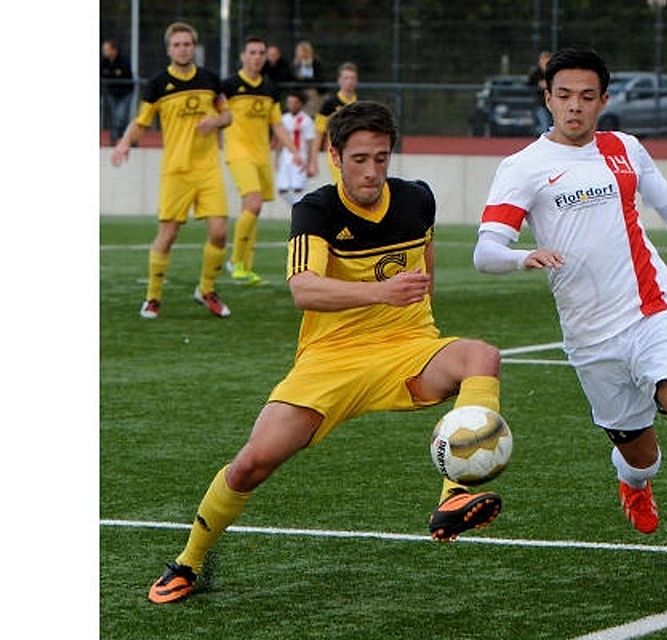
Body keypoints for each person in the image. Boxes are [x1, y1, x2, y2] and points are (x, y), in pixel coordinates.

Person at [146, 100, 506, 605]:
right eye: (360, 159)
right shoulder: (315, 210)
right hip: (330, 359)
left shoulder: (417, 199)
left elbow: (426, 267)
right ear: (334, 155)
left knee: (481, 356)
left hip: (407, 347)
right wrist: (382, 293)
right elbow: (303, 289)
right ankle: (189, 561)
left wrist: (423, 325)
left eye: (381, 158)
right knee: (252, 463)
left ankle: (454, 496)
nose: (372, 171)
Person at [473, 47, 667, 608]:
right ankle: (635, 483)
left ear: (603, 101)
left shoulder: (623, 150)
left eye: (587, 97)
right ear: (547, 97)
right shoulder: (522, 167)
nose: (575, 107)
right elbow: (485, 250)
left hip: (651, 310)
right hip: (590, 338)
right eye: (564, 95)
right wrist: (523, 257)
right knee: (644, 455)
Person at [110, 21, 233, 319]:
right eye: (177, 45)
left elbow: (227, 115)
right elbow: (141, 122)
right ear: (169, 49)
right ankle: (153, 298)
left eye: (187, 44)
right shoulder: (157, 84)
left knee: (219, 232)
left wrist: (214, 122)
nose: (182, 49)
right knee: (168, 234)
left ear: (194, 47)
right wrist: (124, 144)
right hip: (175, 171)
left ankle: (206, 290)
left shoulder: (210, 80)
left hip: (208, 170)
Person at [222, 36, 305, 286]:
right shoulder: (229, 86)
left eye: (261, 52)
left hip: (260, 156)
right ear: (243, 57)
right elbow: (216, 113)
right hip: (238, 153)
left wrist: (295, 151)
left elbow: (277, 124)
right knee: (255, 203)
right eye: (252, 52)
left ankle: (245, 268)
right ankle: (235, 261)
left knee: (251, 210)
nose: (257, 57)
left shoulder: (270, 88)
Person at [313, 61, 360, 184]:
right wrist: (313, 161)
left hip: (357, 153)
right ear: (339, 80)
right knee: (343, 185)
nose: (349, 81)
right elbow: (318, 132)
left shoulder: (360, 105)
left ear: (356, 81)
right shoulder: (329, 104)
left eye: (352, 78)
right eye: (346, 78)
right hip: (336, 153)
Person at [276, 90, 318, 206]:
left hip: (301, 159)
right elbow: (280, 140)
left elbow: (310, 143)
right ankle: (300, 209)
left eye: (294, 102)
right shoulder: (283, 119)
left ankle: (301, 213)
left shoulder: (307, 120)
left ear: (300, 104)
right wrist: (277, 159)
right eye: (289, 102)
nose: (291, 105)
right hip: (285, 158)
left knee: (298, 189)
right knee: (282, 189)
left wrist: (311, 163)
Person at [101, 39, 135, 144]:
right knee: (116, 117)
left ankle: (121, 137)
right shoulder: (103, 62)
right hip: (112, 93)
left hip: (125, 93)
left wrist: (111, 74)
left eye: (107, 49)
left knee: (121, 116)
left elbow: (125, 74)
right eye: (104, 49)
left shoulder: (124, 60)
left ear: (114, 50)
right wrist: (113, 74)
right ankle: (126, 138)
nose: (104, 51)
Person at [292, 40, 323, 115]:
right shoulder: (296, 63)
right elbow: (294, 77)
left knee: (311, 114)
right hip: (299, 92)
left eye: (300, 51)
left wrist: (304, 79)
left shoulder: (315, 62)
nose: (298, 53)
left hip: (312, 92)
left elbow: (318, 77)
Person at [526, 50, 553, 135]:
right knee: (544, 124)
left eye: (547, 61)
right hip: (540, 103)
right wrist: (538, 84)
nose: (544, 63)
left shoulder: (554, 72)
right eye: (543, 61)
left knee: (552, 125)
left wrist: (548, 84)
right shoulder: (535, 73)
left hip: (554, 103)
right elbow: (528, 84)